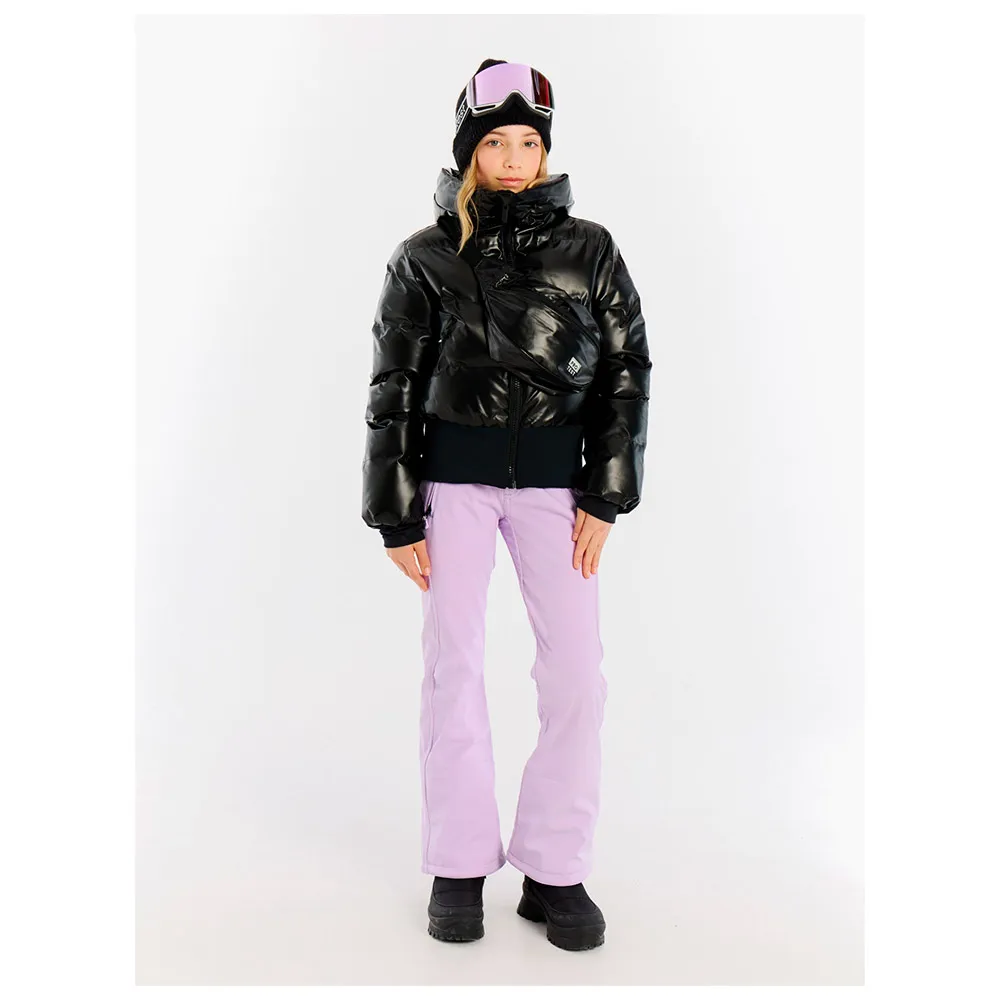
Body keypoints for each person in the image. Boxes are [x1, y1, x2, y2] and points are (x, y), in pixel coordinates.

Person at [361, 59, 652, 951]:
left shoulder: (591, 249)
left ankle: (554, 868)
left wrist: (606, 492)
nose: (516, 159)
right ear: (471, 153)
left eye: (530, 142)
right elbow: (394, 383)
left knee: (576, 677)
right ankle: (457, 864)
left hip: (558, 492)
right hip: (453, 486)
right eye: (497, 143)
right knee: (454, 668)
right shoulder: (424, 255)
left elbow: (626, 369)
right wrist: (396, 511)